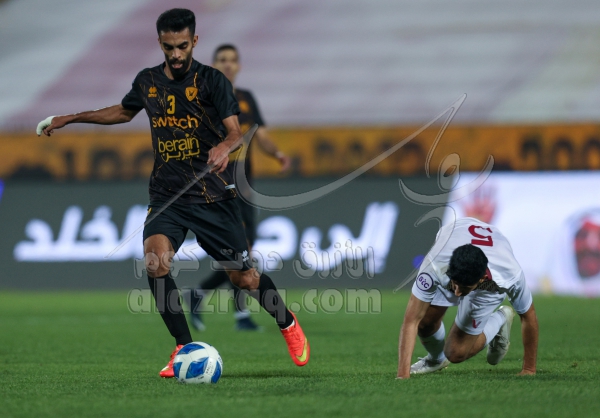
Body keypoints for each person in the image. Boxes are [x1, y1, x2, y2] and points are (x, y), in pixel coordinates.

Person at [36, 8, 309, 377]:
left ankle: (286, 322)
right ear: (160, 43)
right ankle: (183, 347)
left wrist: (224, 147)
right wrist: (71, 117)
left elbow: (235, 131)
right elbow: (123, 111)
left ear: (194, 41)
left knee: (243, 278)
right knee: (155, 262)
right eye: (169, 47)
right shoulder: (148, 81)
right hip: (168, 195)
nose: (176, 54)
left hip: (213, 196)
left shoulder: (212, 81)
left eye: (182, 46)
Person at [185, 44, 291, 332]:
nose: (228, 65)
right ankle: (237, 313)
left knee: (243, 252)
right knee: (241, 251)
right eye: (222, 60)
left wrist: (277, 153)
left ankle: (202, 296)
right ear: (213, 65)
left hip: (244, 184)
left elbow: (261, 134)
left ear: (239, 65)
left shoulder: (246, 98)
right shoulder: (202, 97)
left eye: (232, 60)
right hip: (218, 183)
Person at [397, 217, 538, 379]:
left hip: (488, 287)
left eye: (463, 288)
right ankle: (436, 360)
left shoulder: (509, 274)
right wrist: (402, 375)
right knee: (425, 323)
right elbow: (411, 320)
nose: (457, 293)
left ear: (482, 279)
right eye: (454, 285)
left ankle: (500, 318)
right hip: (458, 233)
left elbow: (528, 315)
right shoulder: (434, 265)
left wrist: (529, 368)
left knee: (455, 353)